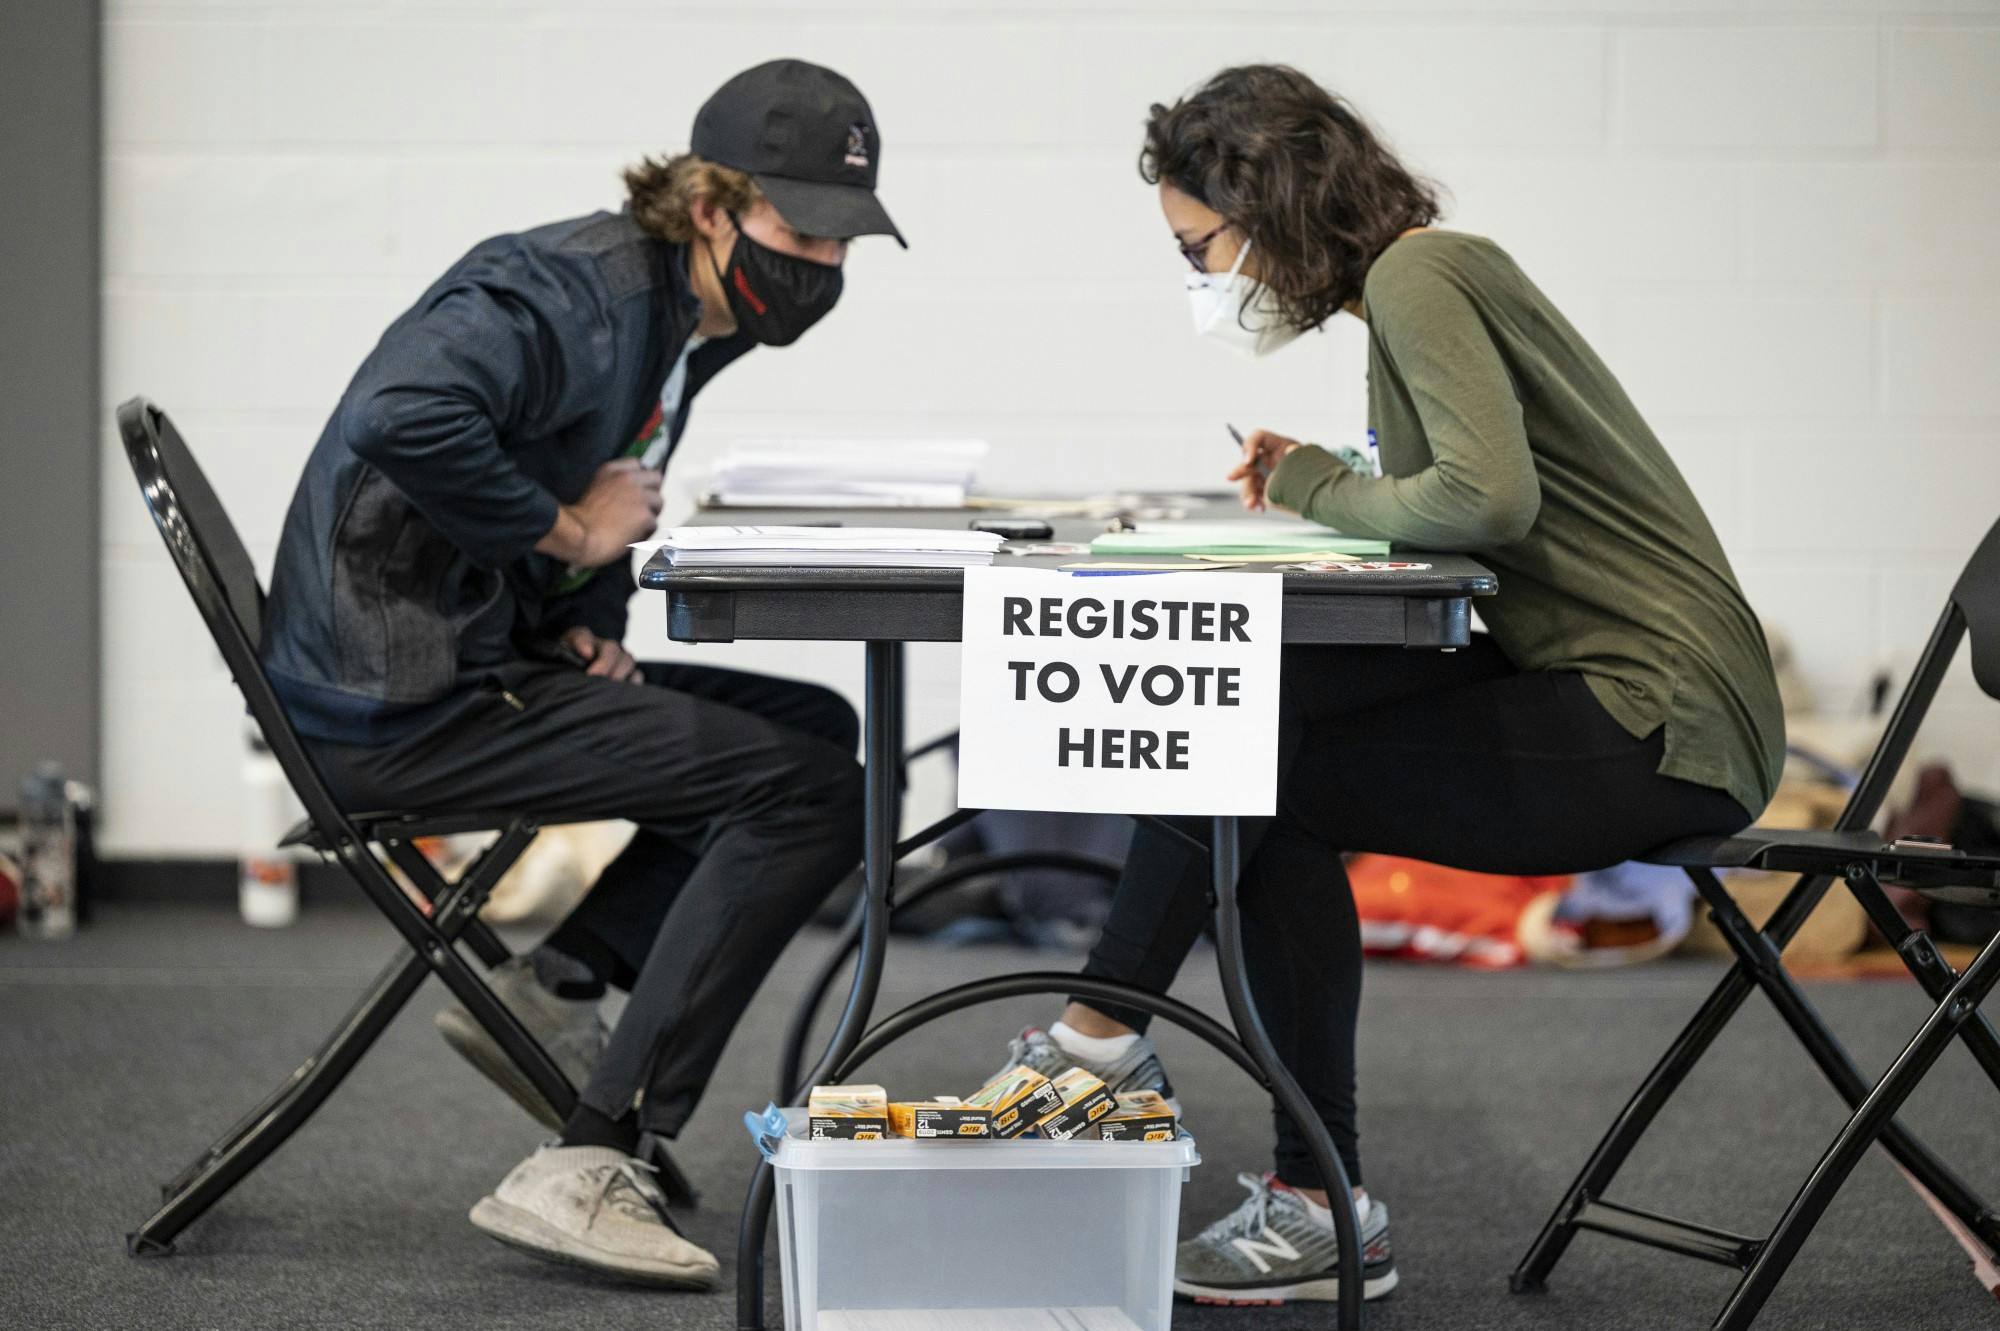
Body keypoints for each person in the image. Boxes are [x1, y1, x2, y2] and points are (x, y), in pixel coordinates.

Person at [992, 64, 1785, 1307]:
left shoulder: (1422, 274)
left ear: (1270, 201)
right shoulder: (1422, 280)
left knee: (1248, 758)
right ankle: (1237, 1147)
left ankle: (1104, 1056)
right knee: (1247, 717)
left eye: (1203, 245)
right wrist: (1323, 479)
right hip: (1618, 685)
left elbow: (1483, 497)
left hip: (1654, 716)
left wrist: (1310, 484)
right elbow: (1468, 508)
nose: (1206, 279)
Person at [259, 60, 904, 1288]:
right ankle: (589, 1156)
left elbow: (607, 467)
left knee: (815, 727)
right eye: (801, 229)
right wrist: (566, 535)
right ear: (710, 205)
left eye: (845, 239)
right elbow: (404, 413)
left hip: (469, 653)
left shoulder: (682, 320)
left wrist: (576, 614)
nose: (823, 265)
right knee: (806, 791)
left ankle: (566, 981)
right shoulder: (568, 289)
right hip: (395, 702)